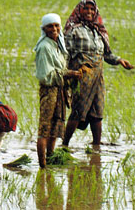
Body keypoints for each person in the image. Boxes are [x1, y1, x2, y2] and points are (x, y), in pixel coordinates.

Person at [62, 0, 134, 148]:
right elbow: (64, 54)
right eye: (86, 9)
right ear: (79, 11)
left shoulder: (98, 30)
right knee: (78, 110)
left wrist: (119, 60)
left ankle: (96, 146)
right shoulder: (73, 30)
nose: (89, 12)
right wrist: (66, 74)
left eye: (92, 9)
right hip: (81, 76)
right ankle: (65, 145)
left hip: (98, 76)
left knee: (97, 111)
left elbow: (106, 54)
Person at [34, 13, 82, 168]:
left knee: (56, 125)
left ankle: (51, 157)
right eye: (50, 26)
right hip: (49, 91)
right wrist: (68, 73)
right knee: (45, 127)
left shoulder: (57, 45)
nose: (54, 29)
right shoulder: (44, 47)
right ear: (44, 29)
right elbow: (44, 76)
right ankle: (42, 165)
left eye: (56, 26)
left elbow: (59, 68)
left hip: (59, 89)